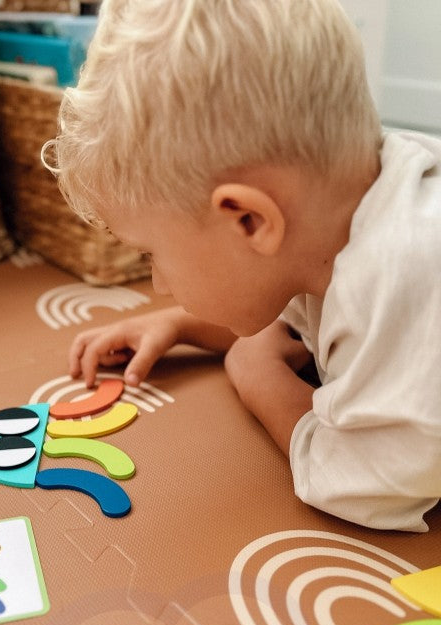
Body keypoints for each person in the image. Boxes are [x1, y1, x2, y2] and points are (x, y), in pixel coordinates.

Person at [43, 0, 441, 532]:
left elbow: (368, 483)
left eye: (151, 256)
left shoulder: (406, 275)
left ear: (249, 221)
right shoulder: (340, 210)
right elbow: (288, 304)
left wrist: (259, 376)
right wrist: (185, 324)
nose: (158, 284)